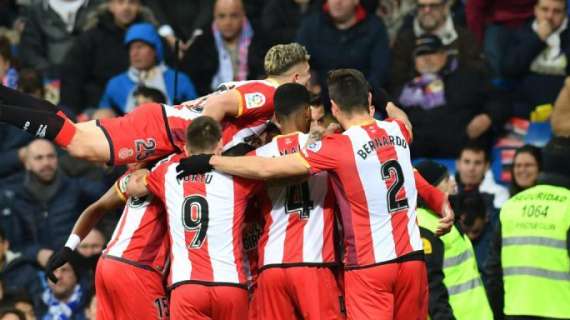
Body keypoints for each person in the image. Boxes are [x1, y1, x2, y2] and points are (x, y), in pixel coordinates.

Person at [176, 69, 454, 319]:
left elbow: (270, 169)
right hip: (410, 260)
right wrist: (386, 101)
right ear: (367, 100)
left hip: (367, 266)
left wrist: (212, 161)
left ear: (334, 106)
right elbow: (403, 121)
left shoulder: (335, 147)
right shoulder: (398, 131)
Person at [0, 42, 311, 166]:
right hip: (164, 129)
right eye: (308, 77)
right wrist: (200, 151)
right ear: (296, 76)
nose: (310, 84)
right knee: (78, 144)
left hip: (160, 119)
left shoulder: (260, 88)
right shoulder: (270, 92)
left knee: (72, 130)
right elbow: (219, 103)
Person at [126, 116, 262, 319]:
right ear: (220, 145)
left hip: (187, 287)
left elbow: (132, 187)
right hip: (231, 285)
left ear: (187, 149)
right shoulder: (239, 177)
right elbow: (272, 173)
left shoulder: (168, 174)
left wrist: (142, 172)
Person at [46, 169, 169, 320]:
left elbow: (98, 207)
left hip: (108, 263)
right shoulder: (174, 172)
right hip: (139, 267)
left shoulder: (133, 174)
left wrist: (68, 247)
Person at [485, 137, 570, 320]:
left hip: (515, 309)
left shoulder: (511, 206)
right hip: (562, 310)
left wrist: (498, 311)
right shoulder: (567, 204)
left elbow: (493, 269)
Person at [394, 34, 509, 158]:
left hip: (466, 159)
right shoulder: (406, 90)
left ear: (444, 55)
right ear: (414, 62)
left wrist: (488, 117)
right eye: (421, 54)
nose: (426, 58)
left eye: (432, 52)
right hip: (420, 161)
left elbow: (501, 101)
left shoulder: (469, 77)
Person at [1, 139, 105, 266]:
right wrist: (37, 253)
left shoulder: (75, 188)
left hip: (76, 263)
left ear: (57, 159)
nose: (46, 163)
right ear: (27, 163)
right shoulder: (15, 197)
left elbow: (107, 200)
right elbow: (16, 243)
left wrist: (95, 234)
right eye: (39, 158)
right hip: (35, 269)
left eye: (50, 156)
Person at [415, 160, 492, 320]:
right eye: (446, 180)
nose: (453, 183)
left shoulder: (446, 218)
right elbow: (430, 286)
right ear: (430, 189)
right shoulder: (425, 225)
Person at [59, 0, 159, 114]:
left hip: (147, 106)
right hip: (97, 109)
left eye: (132, 2)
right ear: (110, 6)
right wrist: (71, 112)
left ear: (139, 6)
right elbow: (72, 75)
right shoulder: (90, 38)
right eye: (120, 2)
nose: (126, 7)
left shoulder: (154, 38)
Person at [98, 23, 197, 115]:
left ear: (155, 50)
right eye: (131, 48)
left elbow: (195, 113)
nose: (134, 53)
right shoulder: (115, 84)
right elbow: (103, 116)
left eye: (140, 47)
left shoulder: (178, 80)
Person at [389, 0, 485, 93]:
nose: (427, 10)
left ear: (445, 7)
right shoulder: (404, 40)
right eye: (421, 6)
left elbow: (478, 75)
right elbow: (396, 81)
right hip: (413, 104)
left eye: (433, 6)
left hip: (460, 101)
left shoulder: (464, 38)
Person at [296, 0, 391, 93]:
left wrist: (361, 95)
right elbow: (298, 62)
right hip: (320, 99)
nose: (337, 2)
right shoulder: (311, 25)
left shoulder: (374, 28)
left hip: (361, 100)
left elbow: (380, 72)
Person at [181, 0, 265, 96]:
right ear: (214, 16)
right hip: (209, 101)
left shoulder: (260, 38)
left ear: (243, 15)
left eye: (234, 15)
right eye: (222, 16)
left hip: (252, 99)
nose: (227, 22)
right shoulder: (202, 42)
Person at [503, 0, 569, 118]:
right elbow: (509, 70)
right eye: (545, 9)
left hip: (563, 111)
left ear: (565, 14)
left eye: (557, 11)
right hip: (525, 109)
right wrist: (537, 39)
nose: (549, 16)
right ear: (535, 10)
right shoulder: (522, 32)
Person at [18, 0, 102, 78]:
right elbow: (30, 52)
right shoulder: (37, 10)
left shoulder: (100, 7)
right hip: (48, 80)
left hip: (92, 80)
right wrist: (51, 73)